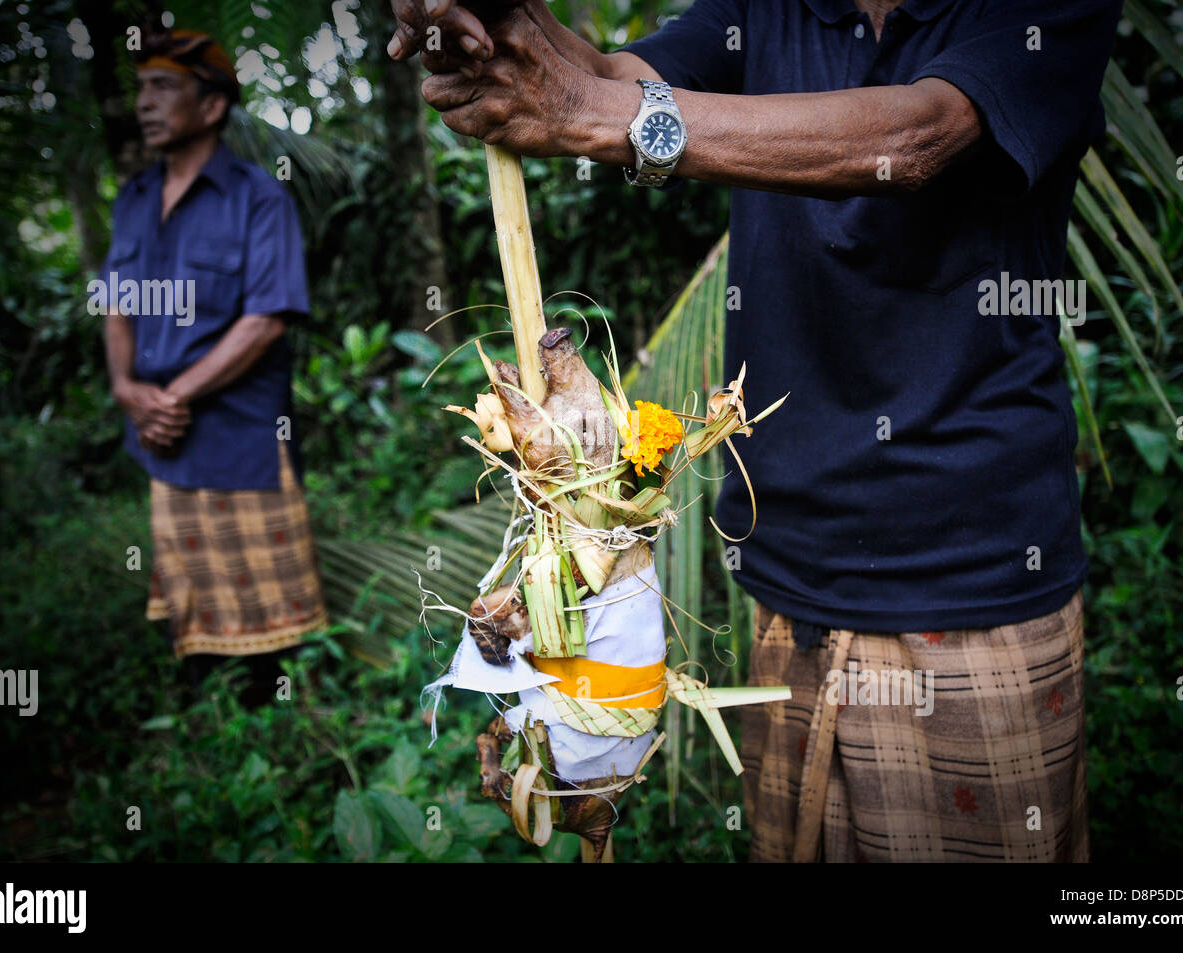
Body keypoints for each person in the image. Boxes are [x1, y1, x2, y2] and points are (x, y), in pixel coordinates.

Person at [387, 0, 1122, 861]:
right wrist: (497, 23)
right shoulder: (765, 9)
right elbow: (609, 80)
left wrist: (593, 115)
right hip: (785, 583)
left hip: (972, 589)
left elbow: (922, 134)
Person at [99, 29, 327, 702]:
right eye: (141, 88)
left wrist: (172, 397)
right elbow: (115, 304)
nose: (146, 102)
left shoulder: (258, 197)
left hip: (244, 430)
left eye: (163, 87)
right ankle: (208, 722)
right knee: (192, 602)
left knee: (270, 610)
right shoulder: (133, 200)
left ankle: (277, 730)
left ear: (211, 107)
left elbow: (267, 318)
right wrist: (128, 391)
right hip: (163, 432)